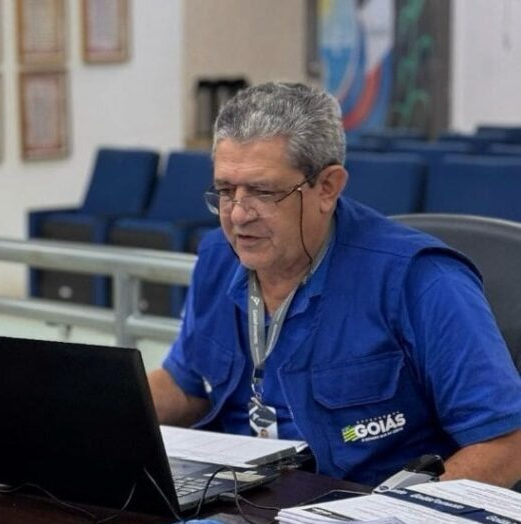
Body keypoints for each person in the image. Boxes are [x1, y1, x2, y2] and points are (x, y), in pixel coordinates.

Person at [148, 81, 521, 488]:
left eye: (262, 192)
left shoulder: (421, 280)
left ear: (327, 187)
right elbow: (186, 386)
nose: (237, 215)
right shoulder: (218, 257)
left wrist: (393, 517)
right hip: (232, 507)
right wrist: (94, 416)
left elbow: (506, 444)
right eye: (225, 191)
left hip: (360, 517)